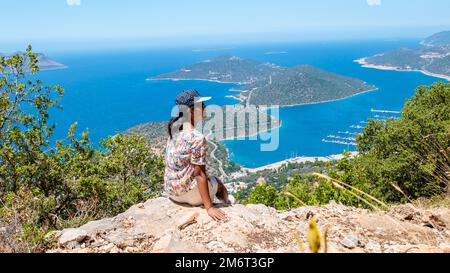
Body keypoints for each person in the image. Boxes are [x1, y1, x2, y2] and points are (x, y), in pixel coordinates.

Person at [164, 89, 230, 221]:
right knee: (217, 183)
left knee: (211, 180)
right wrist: (209, 207)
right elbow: (199, 175)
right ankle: (228, 203)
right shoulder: (197, 137)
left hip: (172, 193)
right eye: (202, 105)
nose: (205, 107)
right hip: (189, 196)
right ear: (191, 111)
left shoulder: (174, 132)